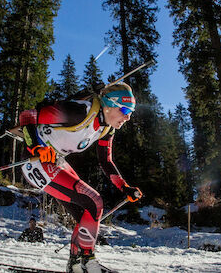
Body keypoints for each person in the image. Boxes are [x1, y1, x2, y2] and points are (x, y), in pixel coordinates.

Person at [18, 82, 142, 273]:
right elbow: (28, 115)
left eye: (132, 111)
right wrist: (35, 146)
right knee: (94, 202)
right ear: (109, 104)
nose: (128, 117)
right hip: (35, 161)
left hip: (56, 162)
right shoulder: (79, 112)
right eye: (125, 109)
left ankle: (75, 265)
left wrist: (124, 187)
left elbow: (106, 162)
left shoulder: (107, 129)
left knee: (85, 215)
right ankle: (88, 262)